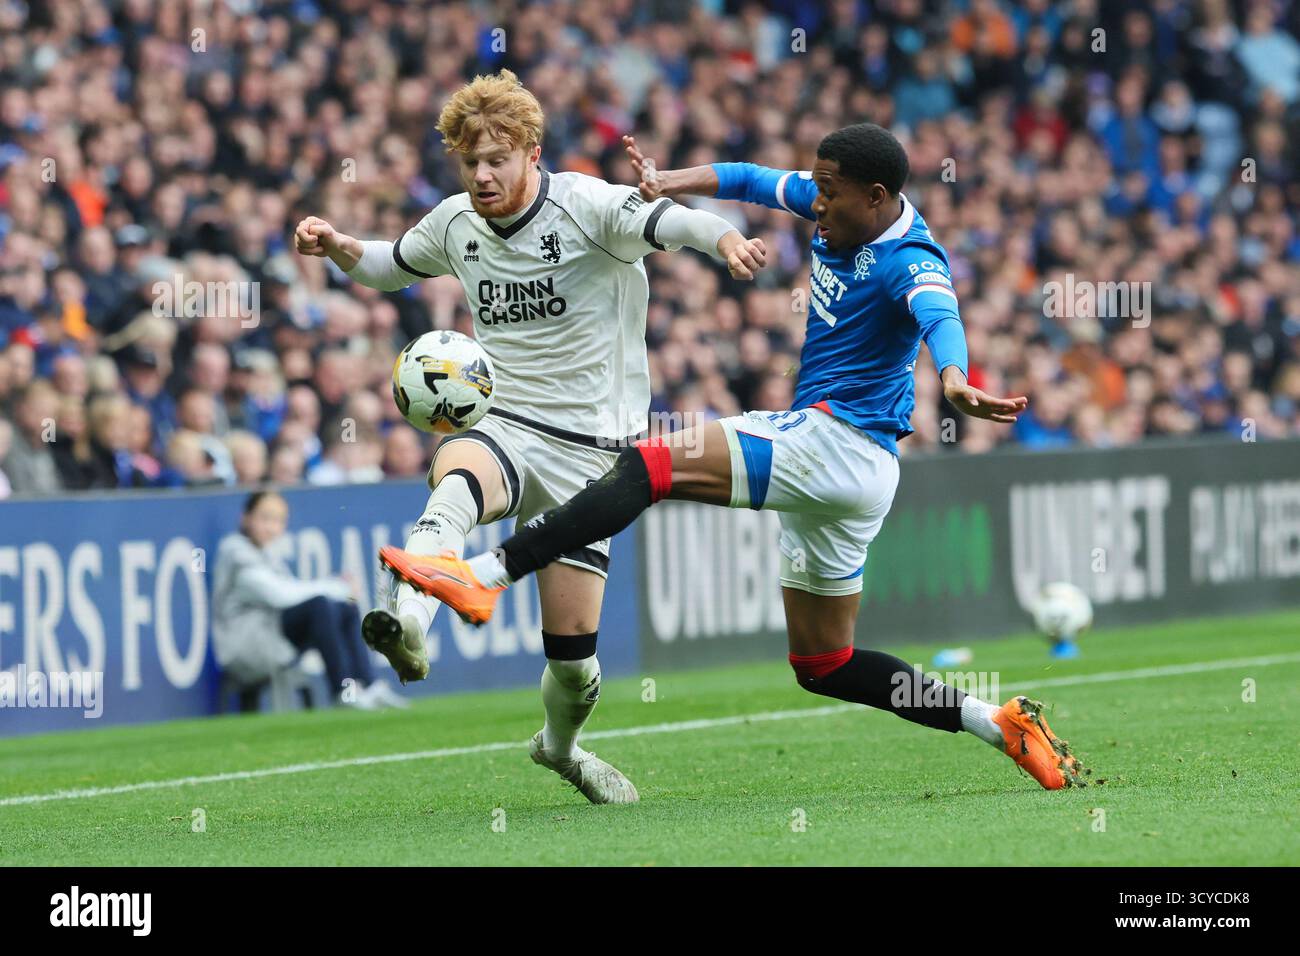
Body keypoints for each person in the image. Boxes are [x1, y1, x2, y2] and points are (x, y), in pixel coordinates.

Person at [382, 124, 1090, 791]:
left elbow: (942, 317)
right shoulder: (840, 202)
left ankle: (481, 575)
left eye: (830, 192)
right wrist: (670, 181)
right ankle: (998, 724)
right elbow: (752, 179)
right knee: (825, 663)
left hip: (831, 442)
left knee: (648, 465)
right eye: (815, 185)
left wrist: (955, 378)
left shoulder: (911, 260)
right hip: (862, 474)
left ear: (876, 198)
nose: (817, 203)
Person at [294, 70, 767, 803]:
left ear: (532, 153)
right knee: (455, 478)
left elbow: (672, 222)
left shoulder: (587, 207)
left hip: (595, 453)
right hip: (504, 423)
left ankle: (562, 748)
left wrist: (726, 237)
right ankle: (410, 618)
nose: (481, 176)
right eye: (469, 163)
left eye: (496, 160)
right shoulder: (455, 222)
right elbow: (393, 266)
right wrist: (339, 246)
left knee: (575, 667)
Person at [212, 490, 406, 711]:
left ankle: (368, 685)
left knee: (345, 609)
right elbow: (280, 595)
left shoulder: (266, 554)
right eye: (264, 518)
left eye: (278, 521)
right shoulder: (235, 552)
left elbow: (290, 591)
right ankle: (342, 691)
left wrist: (338, 591)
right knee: (320, 606)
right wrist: (338, 586)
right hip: (247, 650)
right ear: (245, 518)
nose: (271, 527)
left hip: (271, 637)